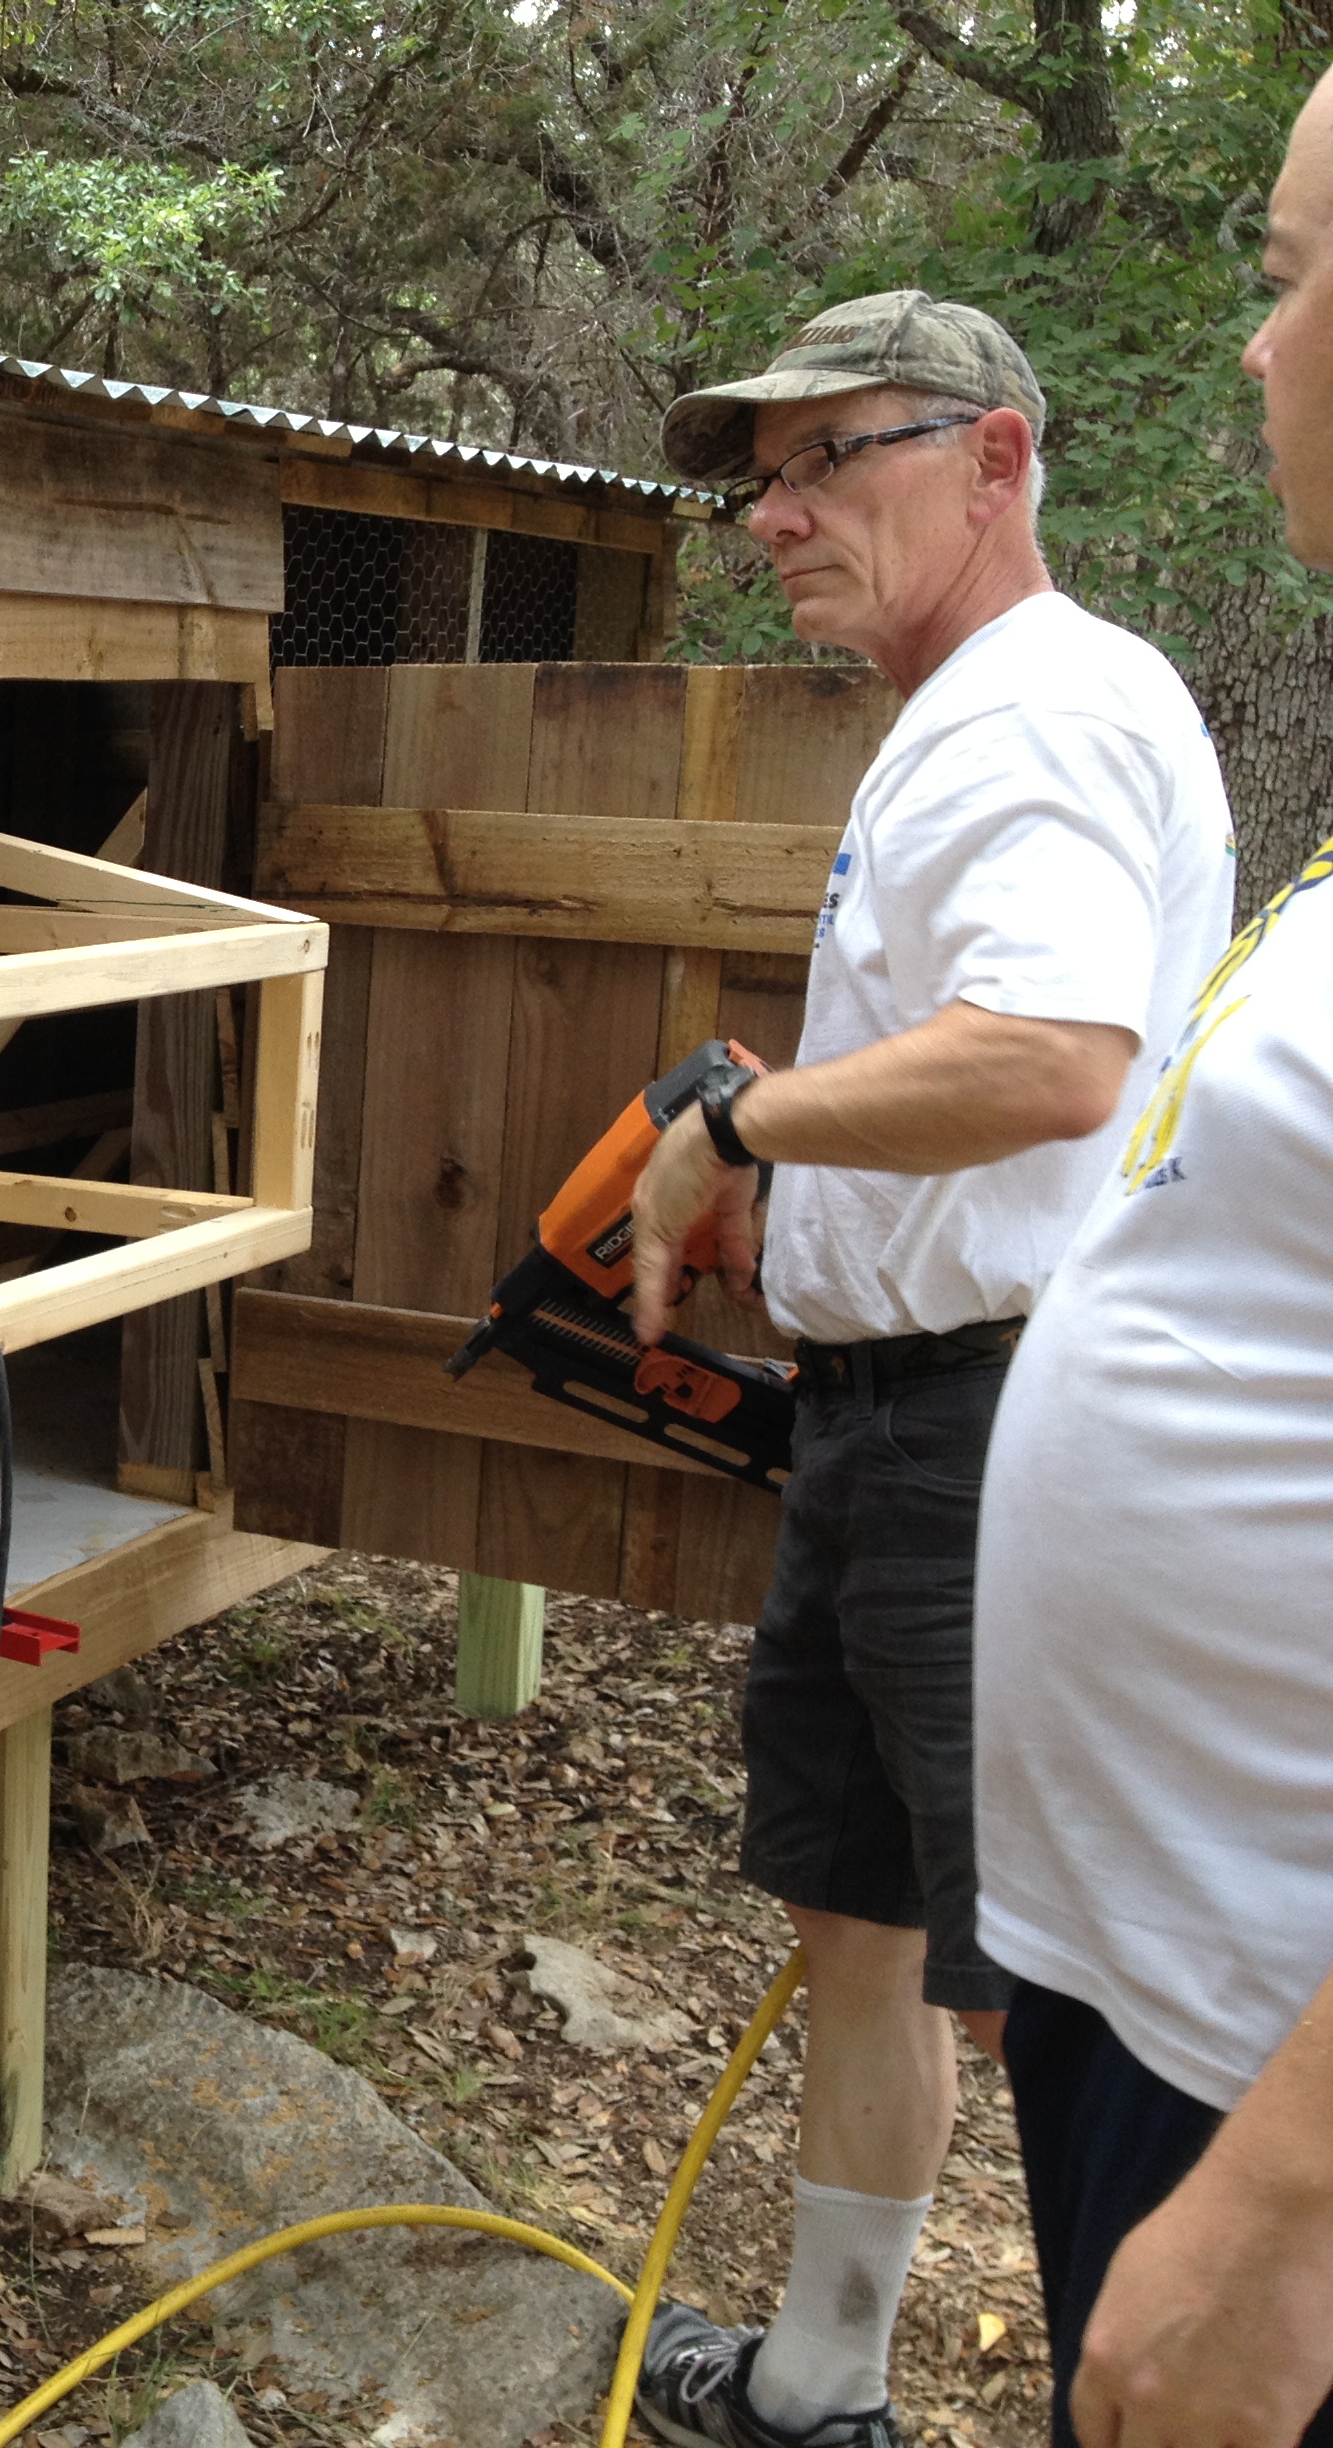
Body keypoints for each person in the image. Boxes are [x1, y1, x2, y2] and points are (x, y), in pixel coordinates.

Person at [619, 293, 1237, 2448]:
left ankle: (1152, 2394)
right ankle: (817, 2386)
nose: (775, 514)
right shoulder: (986, 707)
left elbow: (1056, 1057)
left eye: (829, 459)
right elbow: (1008, 1048)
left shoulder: (1024, 714)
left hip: (984, 1433)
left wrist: (740, 1130)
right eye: (757, 477)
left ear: (997, 462)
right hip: (901, 1417)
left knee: (1060, 2004)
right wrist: (792, 1168)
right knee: (862, 1916)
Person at [966, 74, 1333, 2448]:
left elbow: (1052, 1059)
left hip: (1272, 2099)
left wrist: (1290, 2208)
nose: (1256, 347)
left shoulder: (1050, 714)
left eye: (1295, 274)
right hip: (1179, 1989)